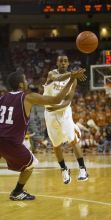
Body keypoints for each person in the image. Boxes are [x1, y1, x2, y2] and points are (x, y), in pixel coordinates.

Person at [0, 69, 85, 201]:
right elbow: (56, 99)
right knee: (31, 163)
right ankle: (17, 191)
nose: (27, 81)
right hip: (10, 141)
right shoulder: (27, 97)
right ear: (21, 84)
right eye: (25, 80)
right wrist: (71, 80)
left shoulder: (2, 98)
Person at [43, 55, 88, 184]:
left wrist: (58, 106)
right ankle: (64, 169)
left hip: (64, 112)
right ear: (57, 63)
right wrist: (72, 75)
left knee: (72, 140)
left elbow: (68, 99)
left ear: (68, 63)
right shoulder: (52, 74)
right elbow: (58, 78)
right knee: (56, 145)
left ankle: (82, 168)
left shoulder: (73, 80)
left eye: (65, 61)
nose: (63, 63)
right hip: (50, 113)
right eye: (60, 61)